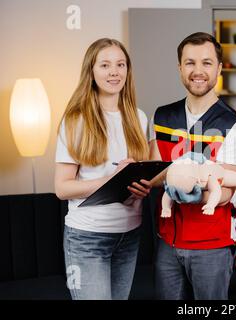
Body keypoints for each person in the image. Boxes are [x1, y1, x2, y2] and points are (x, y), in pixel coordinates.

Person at [135, 32, 236, 300]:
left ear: (219, 69)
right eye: (190, 63)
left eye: (207, 63)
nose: (198, 71)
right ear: (179, 68)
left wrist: (183, 188)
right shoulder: (161, 116)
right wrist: (136, 172)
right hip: (167, 242)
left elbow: (226, 193)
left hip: (211, 246)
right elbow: (156, 172)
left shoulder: (234, 126)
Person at [54, 38, 150, 300]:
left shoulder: (139, 117)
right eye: (105, 65)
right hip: (87, 237)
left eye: (120, 64)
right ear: (91, 71)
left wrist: (141, 185)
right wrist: (112, 179)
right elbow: (62, 188)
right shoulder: (76, 120)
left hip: (129, 235)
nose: (114, 72)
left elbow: (142, 174)